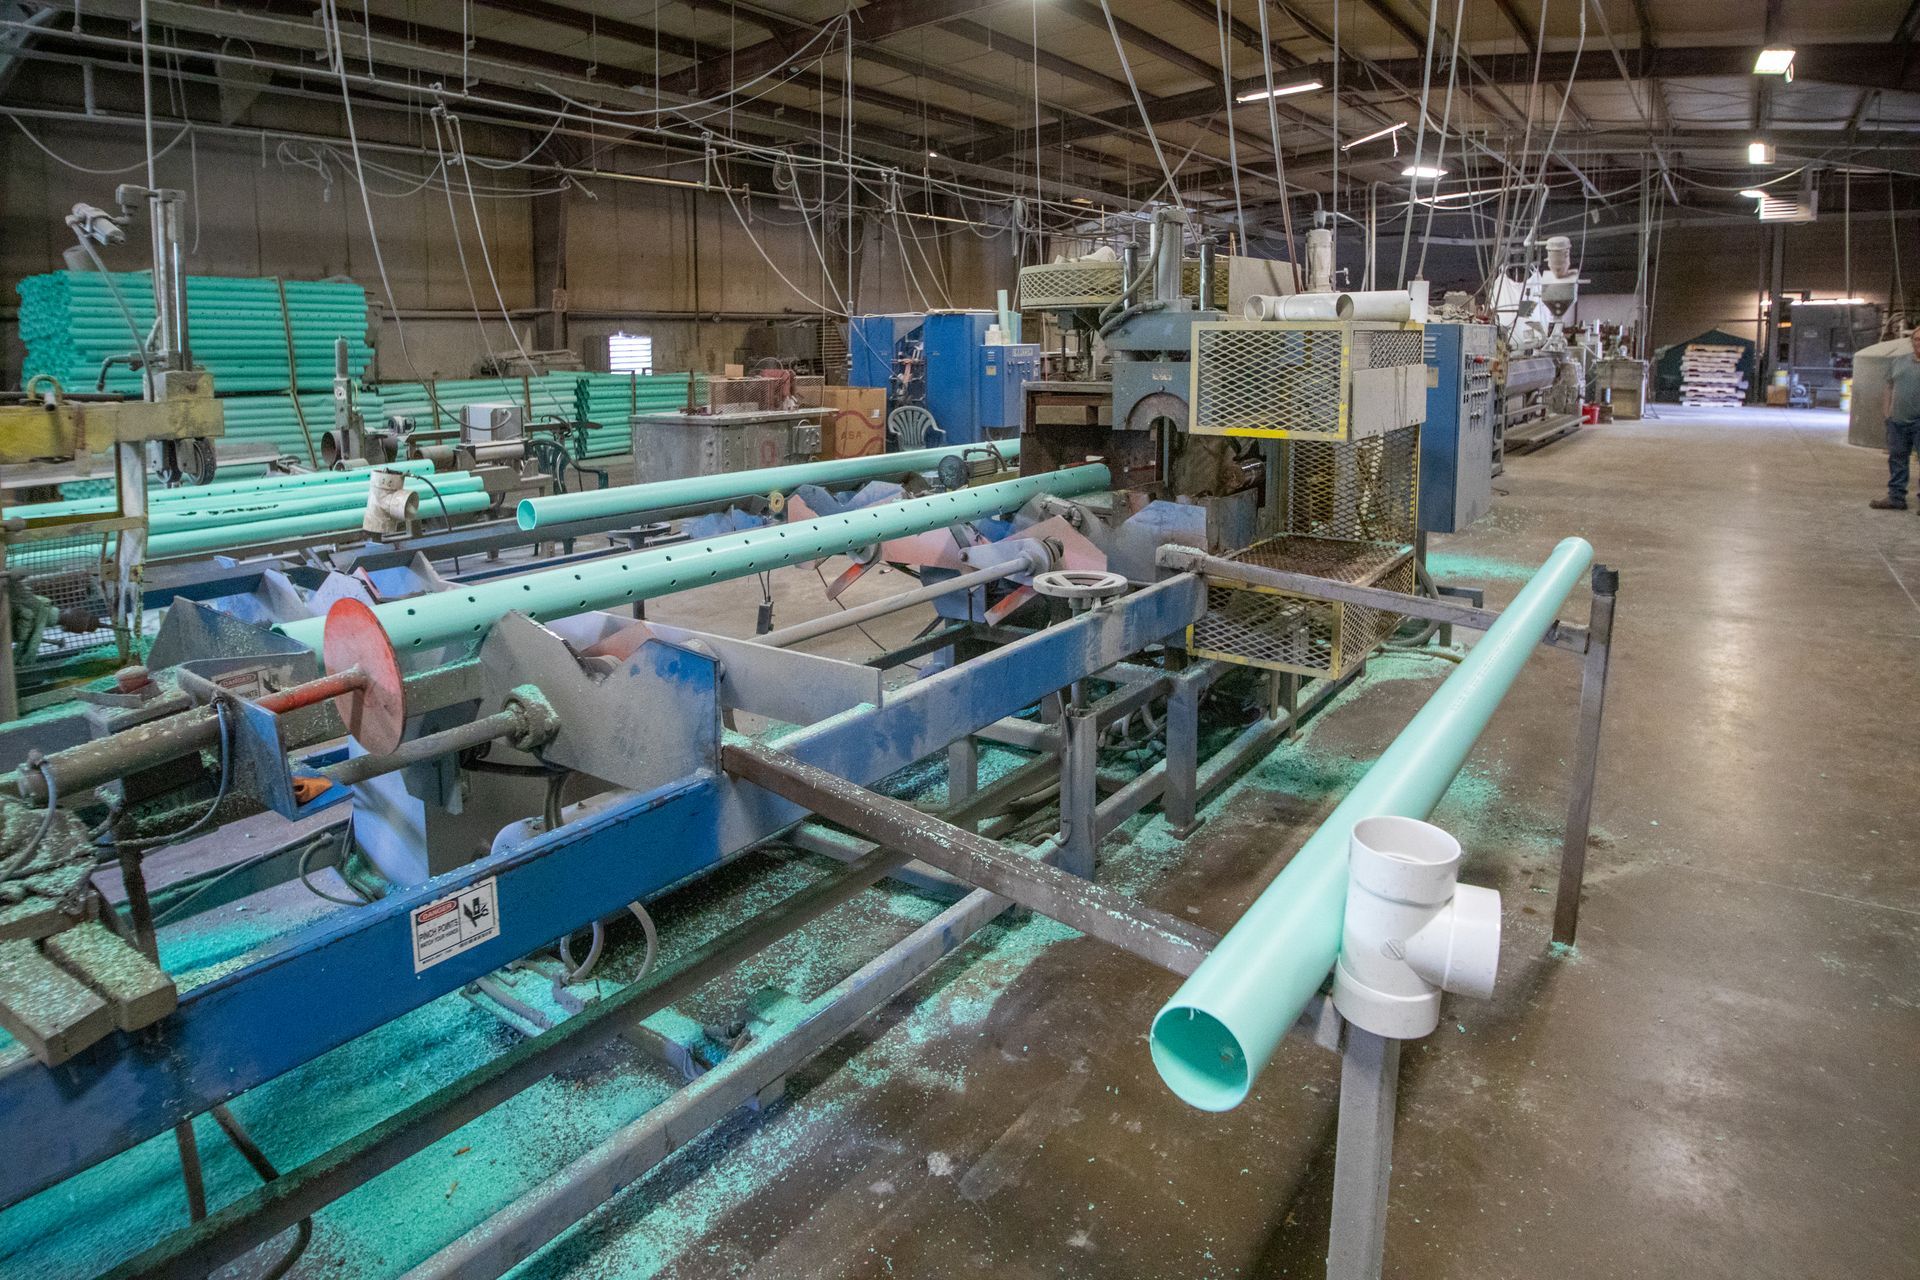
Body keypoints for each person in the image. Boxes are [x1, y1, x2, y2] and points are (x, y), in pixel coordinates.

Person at [1871, 327, 1920, 510]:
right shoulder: (1900, 362)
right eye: (1916, 339)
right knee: (1897, 459)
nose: (1919, 343)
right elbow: (1889, 386)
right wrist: (1887, 413)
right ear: (1911, 341)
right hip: (1898, 420)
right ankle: (1896, 497)